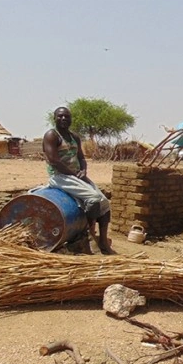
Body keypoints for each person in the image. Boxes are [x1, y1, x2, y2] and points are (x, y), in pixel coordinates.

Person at [43, 107, 115, 254]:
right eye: (60, 116)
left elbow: (81, 157)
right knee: (94, 199)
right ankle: (88, 234)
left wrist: (83, 170)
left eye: (67, 117)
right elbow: (54, 161)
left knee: (105, 203)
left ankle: (103, 241)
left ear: (71, 119)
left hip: (75, 175)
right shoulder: (51, 135)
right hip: (60, 176)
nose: (64, 119)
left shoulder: (74, 137)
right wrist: (74, 174)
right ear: (54, 118)